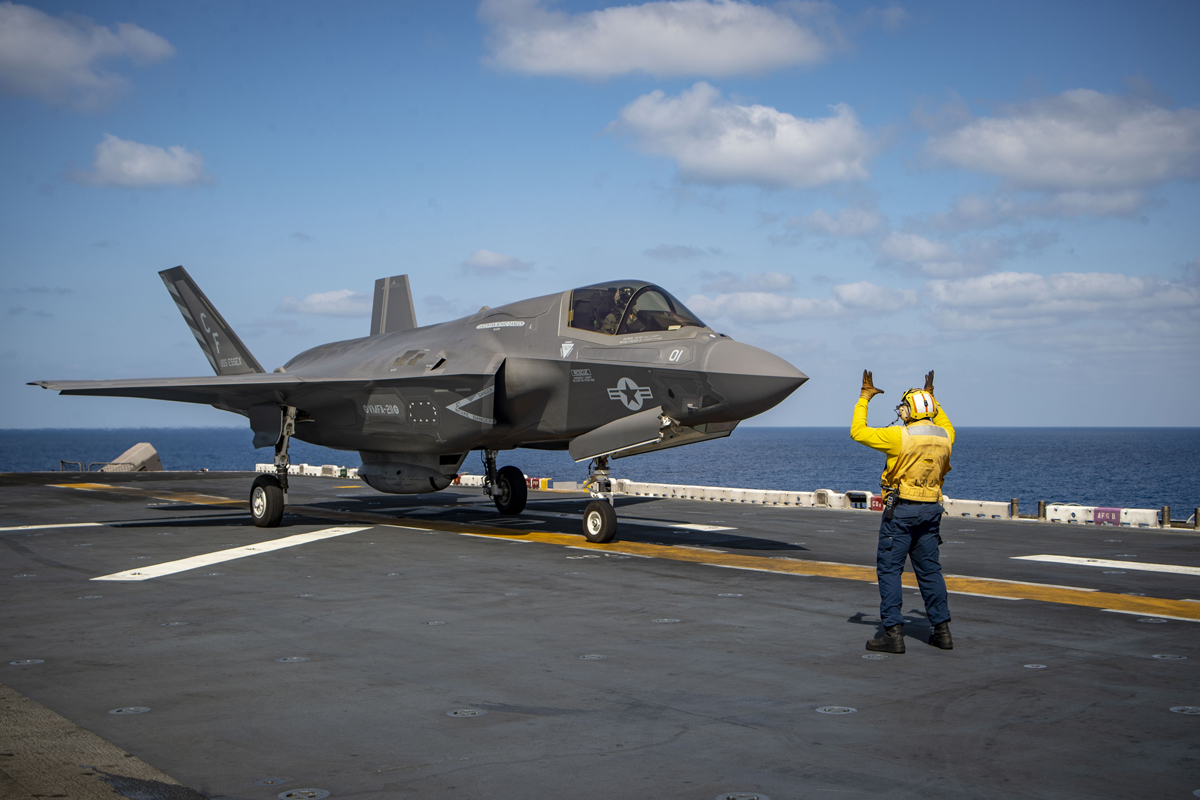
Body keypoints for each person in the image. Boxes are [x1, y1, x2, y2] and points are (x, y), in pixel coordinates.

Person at [852, 369, 955, 654]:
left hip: (902, 512)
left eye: (905, 406)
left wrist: (864, 397)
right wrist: (930, 397)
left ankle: (893, 635)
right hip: (932, 511)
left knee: (889, 571)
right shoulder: (946, 437)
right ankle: (942, 632)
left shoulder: (900, 436)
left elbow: (857, 432)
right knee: (930, 571)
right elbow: (941, 420)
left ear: (909, 410)